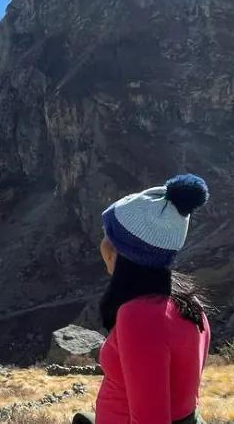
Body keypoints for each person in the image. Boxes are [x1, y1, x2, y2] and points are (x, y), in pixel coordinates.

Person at [73, 174, 211, 424]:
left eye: (108, 234)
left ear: (121, 251)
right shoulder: (190, 304)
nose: (102, 243)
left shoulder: (139, 316)